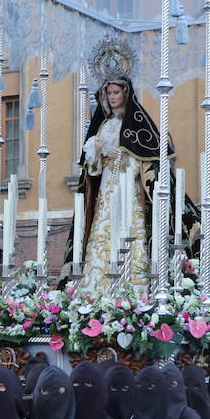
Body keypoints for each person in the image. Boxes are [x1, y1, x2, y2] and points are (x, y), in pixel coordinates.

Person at [75, 76, 161, 291]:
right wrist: (97, 151)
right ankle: (98, 283)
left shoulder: (137, 124)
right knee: (103, 229)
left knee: (129, 227)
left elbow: (146, 160)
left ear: (126, 94)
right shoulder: (105, 125)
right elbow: (91, 169)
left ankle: (134, 283)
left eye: (116, 92)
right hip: (106, 187)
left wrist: (125, 156)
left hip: (128, 187)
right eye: (109, 93)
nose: (112, 97)